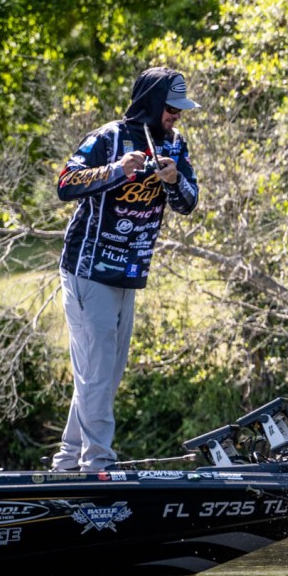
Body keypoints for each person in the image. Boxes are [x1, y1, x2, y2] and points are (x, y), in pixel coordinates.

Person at [50, 67, 200, 472]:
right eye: (171, 108)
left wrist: (173, 179)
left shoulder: (175, 144)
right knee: (97, 373)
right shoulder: (108, 138)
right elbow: (65, 183)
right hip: (88, 270)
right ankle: (97, 464)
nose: (176, 115)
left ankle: (67, 462)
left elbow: (189, 201)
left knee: (104, 375)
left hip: (129, 273)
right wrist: (118, 169)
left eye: (180, 109)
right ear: (151, 103)